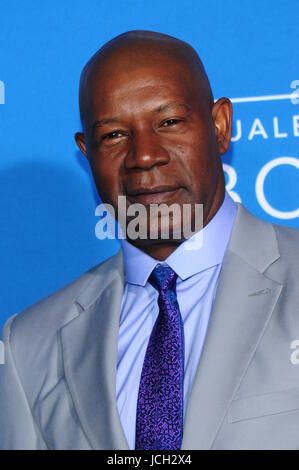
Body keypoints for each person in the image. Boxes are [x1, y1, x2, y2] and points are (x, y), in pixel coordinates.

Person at [1, 30, 299, 450]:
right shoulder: (29, 343)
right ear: (87, 153)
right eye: (114, 135)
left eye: (169, 122)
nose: (143, 155)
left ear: (220, 126)